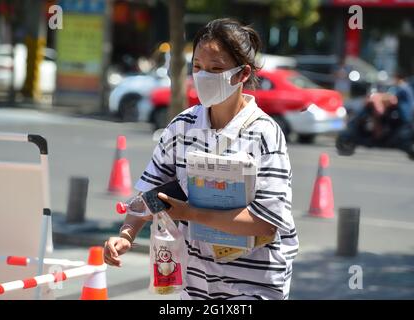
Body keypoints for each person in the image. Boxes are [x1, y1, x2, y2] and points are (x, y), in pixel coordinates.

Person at [104, 18, 298, 300]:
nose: (204, 76)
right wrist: (126, 234)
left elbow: (267, 221)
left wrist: (190, 214)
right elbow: (149, 193)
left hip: (254, 284)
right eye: (197, 67)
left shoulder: (265, 134)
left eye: (216, 69)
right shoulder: (181, 127)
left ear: (243, 73)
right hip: (196, 281)